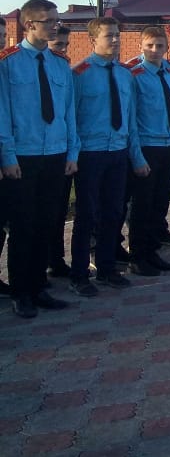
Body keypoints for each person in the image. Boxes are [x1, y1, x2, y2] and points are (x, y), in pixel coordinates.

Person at [0, 0, 79, 318]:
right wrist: (7, 156)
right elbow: (2, 114)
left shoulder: (60, 63)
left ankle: (38, 286)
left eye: (57, 21)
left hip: (56, 154)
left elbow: (68, 111)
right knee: (23, 225)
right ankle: (21, 292)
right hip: (23, 156)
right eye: (48, 22)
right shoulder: (8, 63)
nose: (55, 27)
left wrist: (73, 151)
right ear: (29, 24)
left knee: (47, 223)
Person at [68, 17, 150, 296]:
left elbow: (131, 119)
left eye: (117, 35)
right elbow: (72, 118)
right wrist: (73, 153)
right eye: (108, 36)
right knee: (87, 215)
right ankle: (79, 274)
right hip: (90, 153)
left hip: (118, 151)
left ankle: (106, 267)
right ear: (93, 40)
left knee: (114, 212)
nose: (115, 41)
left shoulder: (126, 73)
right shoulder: (80, 73)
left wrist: (136, 157)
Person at [126, 26, 170, 275]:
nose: (154, 50)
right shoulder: (134, 74)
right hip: (147, 147)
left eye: (160, 45)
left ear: (166, 47)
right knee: (142, 206)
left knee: (160, 203)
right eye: (149, 45)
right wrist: (136, 156)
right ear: (141, 46)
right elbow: (132, 119)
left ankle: (153, 251)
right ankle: (138, 256)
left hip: (168, 145)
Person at [44, 25, 73, 279]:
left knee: (57, 211)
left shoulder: (64, 69)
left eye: (66, 45)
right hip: (30, 153)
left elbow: (69, 113)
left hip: (60, 149)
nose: (63, 50)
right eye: (58, 46)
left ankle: (55, 260)